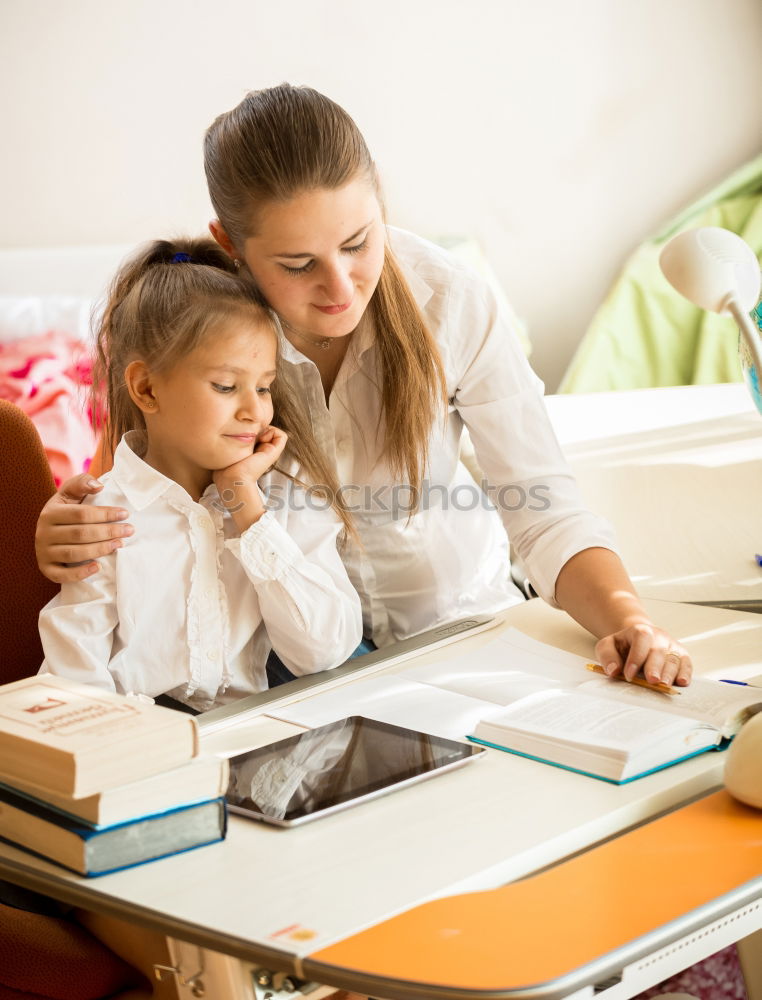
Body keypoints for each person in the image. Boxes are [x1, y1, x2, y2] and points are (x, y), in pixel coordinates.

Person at [35, 82, 691, 691]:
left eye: (358, 241)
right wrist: (69, 532)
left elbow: (544, 506)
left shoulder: (449, 301)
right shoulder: (213, 334)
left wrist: (625, 619)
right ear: (229, 246)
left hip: (460, 631)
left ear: (380, 200)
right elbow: (159, 496)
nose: (341, 288)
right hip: (295, 672)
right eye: (298, 265)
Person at [38, 237, 362, 711]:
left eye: (265, 387)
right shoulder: (105, 517)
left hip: (258, 733)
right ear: (147, 389)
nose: (255, 410)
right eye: (226, 386)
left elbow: (325, 651)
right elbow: (76, 676)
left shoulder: (283, 493)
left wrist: (246, 506)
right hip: (143, 739)